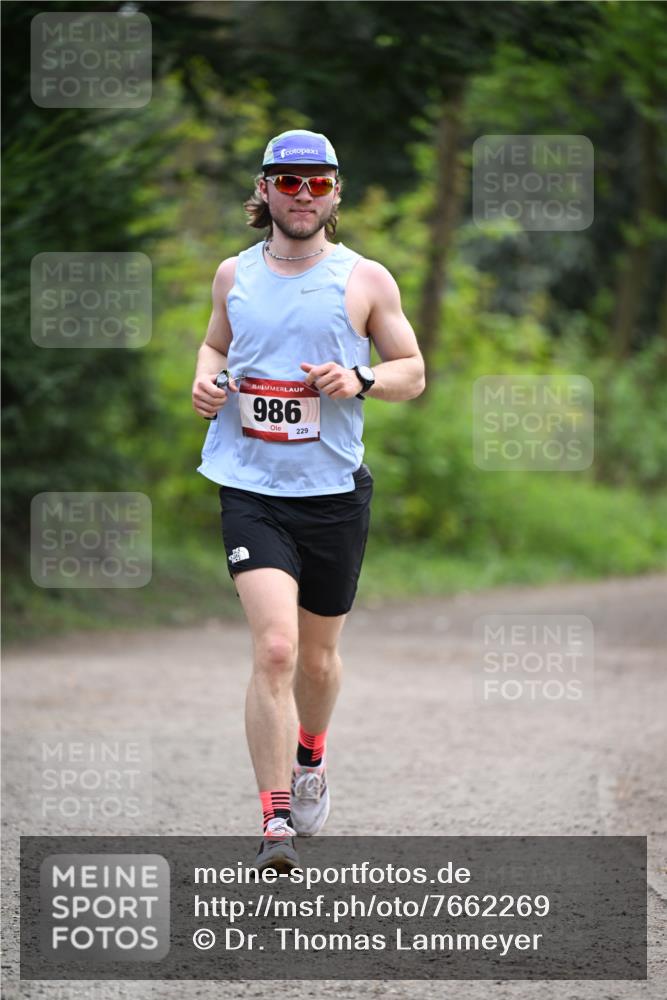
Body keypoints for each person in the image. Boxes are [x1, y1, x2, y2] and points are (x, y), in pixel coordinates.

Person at [192, 129, 425, 872]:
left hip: (331, 495)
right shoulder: (233, 274)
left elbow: (412, 371)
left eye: (316, 183)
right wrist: (204, 380)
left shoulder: (364, 280)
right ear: (263, 191)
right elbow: (215, 348)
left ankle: (311, 758)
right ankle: (275, 823)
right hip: (250, 486)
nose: (301, 196)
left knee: (318, 660)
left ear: (335, 192)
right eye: (286, 183)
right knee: (276, 648)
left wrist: (359, 381)